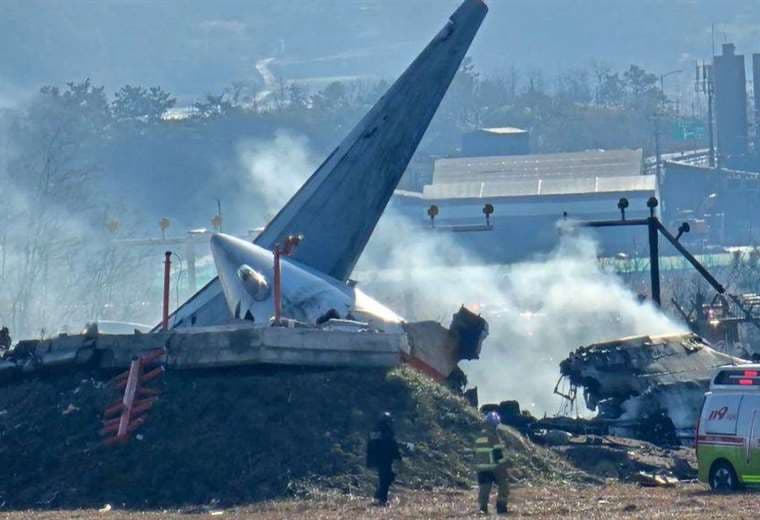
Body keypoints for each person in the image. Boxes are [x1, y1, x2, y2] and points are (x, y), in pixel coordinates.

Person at [474, 411, 510, 515]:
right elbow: (498, 456)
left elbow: (475, 453)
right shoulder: (493, 436)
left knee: (484, 490)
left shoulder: (479, 436)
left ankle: (483, 509)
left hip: (481, 469)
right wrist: (506, 466)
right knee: (504, 485)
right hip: (493, 468)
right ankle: (501, 507)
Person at [366, 411, 401, 505]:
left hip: (384, 459)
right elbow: (373, 446)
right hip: (383, 459)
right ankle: (381, 498)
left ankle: (380, 496)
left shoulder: (380, 432)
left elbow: (371, 446)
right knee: (385, 478)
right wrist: (397, 455)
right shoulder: (381, 432)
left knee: (387, 478)